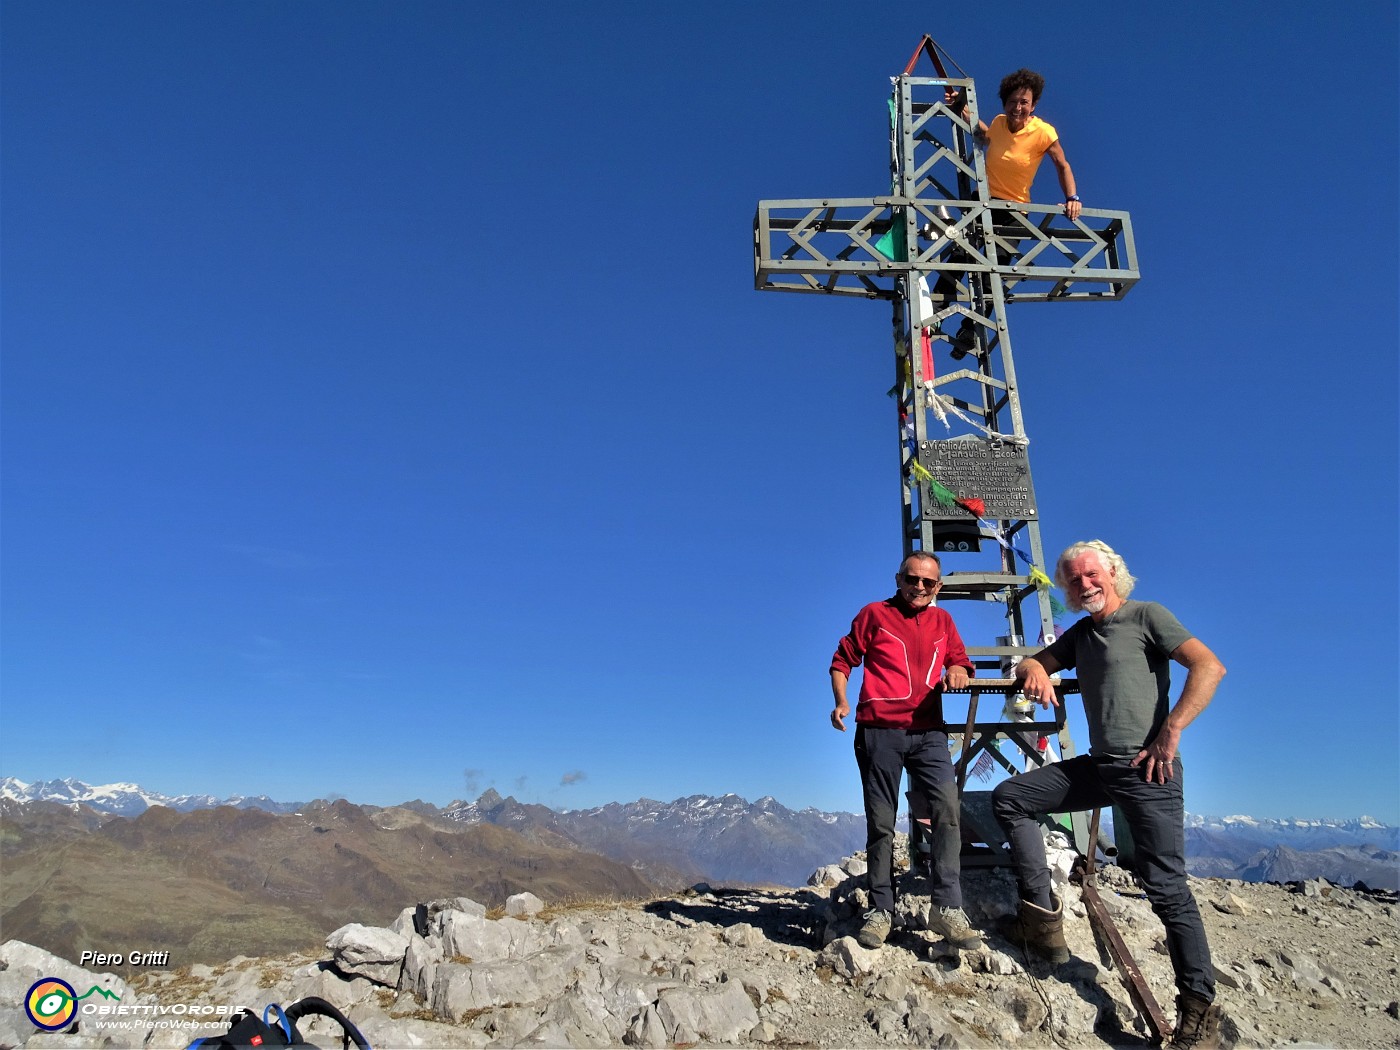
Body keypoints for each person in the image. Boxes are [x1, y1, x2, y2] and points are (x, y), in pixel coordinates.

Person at [993, 540, 1227, 1050]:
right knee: (1011, 796)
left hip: (1149, 769)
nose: (1085, 585)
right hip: (1100, 768)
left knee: (1166, 888)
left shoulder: (1147, 616)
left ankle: (1198, 1012)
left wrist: (1173, 729)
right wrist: (1034, 669)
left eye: (1092, 575)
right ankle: (1042, 924)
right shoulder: (1081, 633)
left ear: (1114, 573)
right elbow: (1031, 664)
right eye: (1074, 581)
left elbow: (1209, 667)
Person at [829, 550, 982, 951]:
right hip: (879, 731)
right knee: (881, 822)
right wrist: (842, 702)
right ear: (898, 579)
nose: (918, 587)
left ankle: (947, 907)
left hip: (930, 732)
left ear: (938, 587)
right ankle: (881, 909)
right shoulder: (874, 614)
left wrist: (958, 671)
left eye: (927, 582)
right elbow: (843, 660)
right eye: (911, 579)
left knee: (948, 811)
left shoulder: (943, 621)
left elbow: (962, 663)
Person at [936, 69, 1082, 357]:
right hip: (983, 200)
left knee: (995, 269)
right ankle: (939, 302)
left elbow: (1062, 164)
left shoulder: (1043, 132)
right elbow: (984, 135)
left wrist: (1072, 198)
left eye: (1024, 102)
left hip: (1014, 209)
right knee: (961, 249)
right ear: (1005, 103)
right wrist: (960, 108)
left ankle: (970, 328)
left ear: (1033, 105)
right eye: (1013, 101)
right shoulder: (999, 123)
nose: (1018, 107)